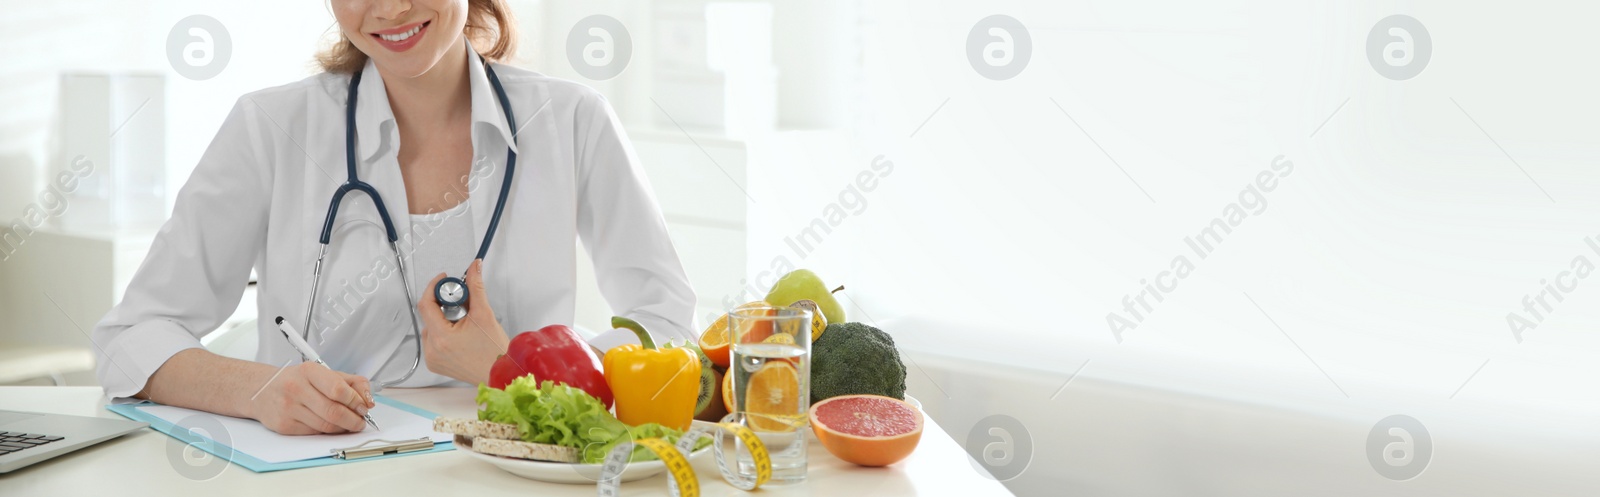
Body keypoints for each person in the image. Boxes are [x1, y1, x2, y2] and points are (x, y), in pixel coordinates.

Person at [90, 0, 695, 435]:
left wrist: (509, 368)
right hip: (323, 474)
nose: (391, 7)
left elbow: (666, 325)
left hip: (520, 472)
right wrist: (260, 389)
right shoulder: (270, 129)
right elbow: (132, 339)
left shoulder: (572, 120)